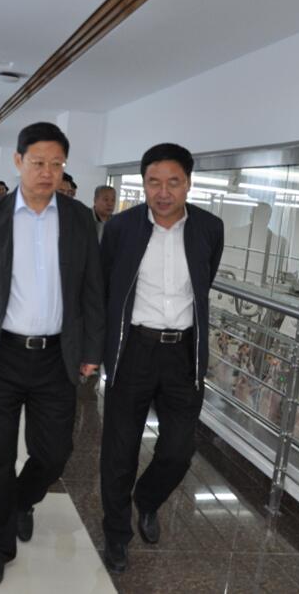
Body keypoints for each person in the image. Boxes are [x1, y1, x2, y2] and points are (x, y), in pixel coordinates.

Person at [0, 122, 105, 586]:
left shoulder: (77, 219)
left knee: (54, 453)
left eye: (56, 164)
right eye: (38, 163)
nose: (48, 172)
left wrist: (92, 350)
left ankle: (21, 500)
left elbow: (92, 290)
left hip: (56, 357)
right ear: (18, 162)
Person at [99, 143, 224, 573]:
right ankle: (117, 534)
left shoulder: (209, 228)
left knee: (178, 450)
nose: (163, 192)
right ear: (143, 184)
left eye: (173, 182)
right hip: (133, 349)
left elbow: (205, 280)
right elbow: (106, 288)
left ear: (188, 184)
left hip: (182, 355)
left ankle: (148, 498)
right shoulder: (121, 228)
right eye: (154, 182)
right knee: (119, 452)